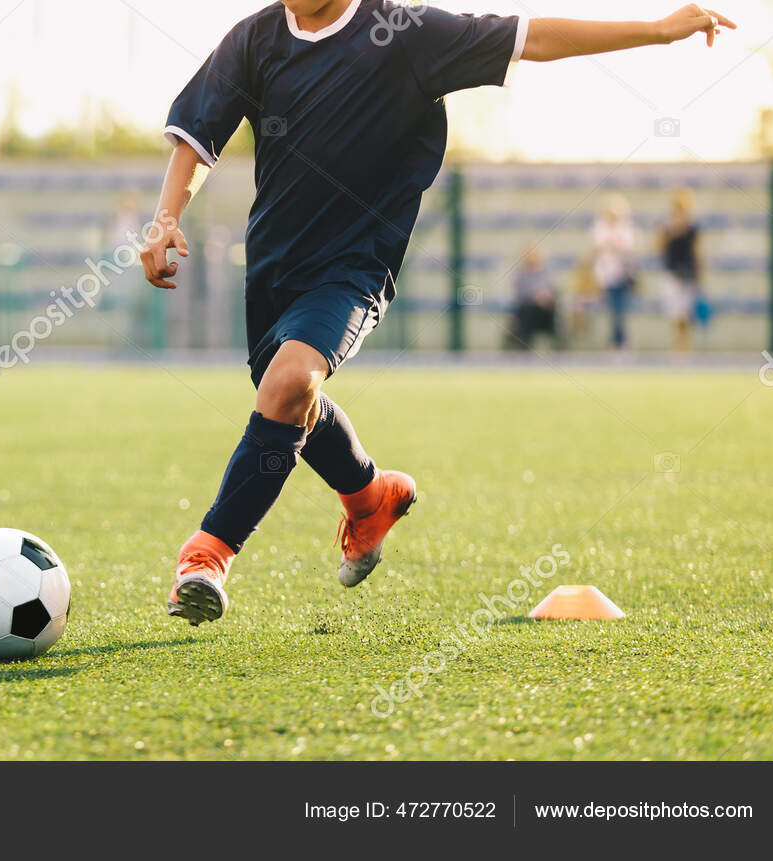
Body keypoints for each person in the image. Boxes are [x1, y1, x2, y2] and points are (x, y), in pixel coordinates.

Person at [138, 0, 734, 624]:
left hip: (354, 267)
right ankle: (370, 498)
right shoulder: (255, 39)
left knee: (288, 385)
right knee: (285, 397)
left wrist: (658, 31)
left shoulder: (406, 33)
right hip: (271, 268)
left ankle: (207, 555)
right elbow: (196, 136)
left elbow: (532, 37)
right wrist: (165, 218)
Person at [658, 188, 705, 352]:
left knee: (686, 312)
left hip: (688, 274)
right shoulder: (667, 225)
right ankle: (677, 345)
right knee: (675, 312)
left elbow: (698, 251)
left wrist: (701, 275)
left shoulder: (692, 227)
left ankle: (685, 346)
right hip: (672, 273)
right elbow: (659, 247)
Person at [592, 195, 639, 350]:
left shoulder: (626, 228)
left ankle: (620, 341)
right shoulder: (600, 227)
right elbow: (598, 247)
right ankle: (616, 341)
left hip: (622, 274)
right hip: (606, 274)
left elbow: (628, 248)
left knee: (620, 309)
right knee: (613, 309)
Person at [505, 245, 559, 350]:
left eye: (534, 254)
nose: (531, 257)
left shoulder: (546, 272)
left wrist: (544, 297)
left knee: (551, 307)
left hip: (544, 311)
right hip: (527, 309)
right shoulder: (520, 273)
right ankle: (524, 343)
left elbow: (551, 290)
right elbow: (520, 294)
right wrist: (536, 297)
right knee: (527, 309)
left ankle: (556, 342)